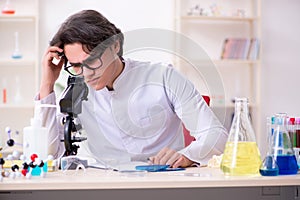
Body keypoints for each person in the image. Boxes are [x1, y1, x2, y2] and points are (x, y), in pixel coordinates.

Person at [37, 9, 228, 168]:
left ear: (115, 46)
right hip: (101, 183)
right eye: (77, 65)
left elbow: (217, 136)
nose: (86, 74)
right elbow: (47, 154)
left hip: (161, 182)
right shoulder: (76, 92)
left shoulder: (163, 78)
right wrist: (47, 85)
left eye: (92, 60)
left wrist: (187, 156)